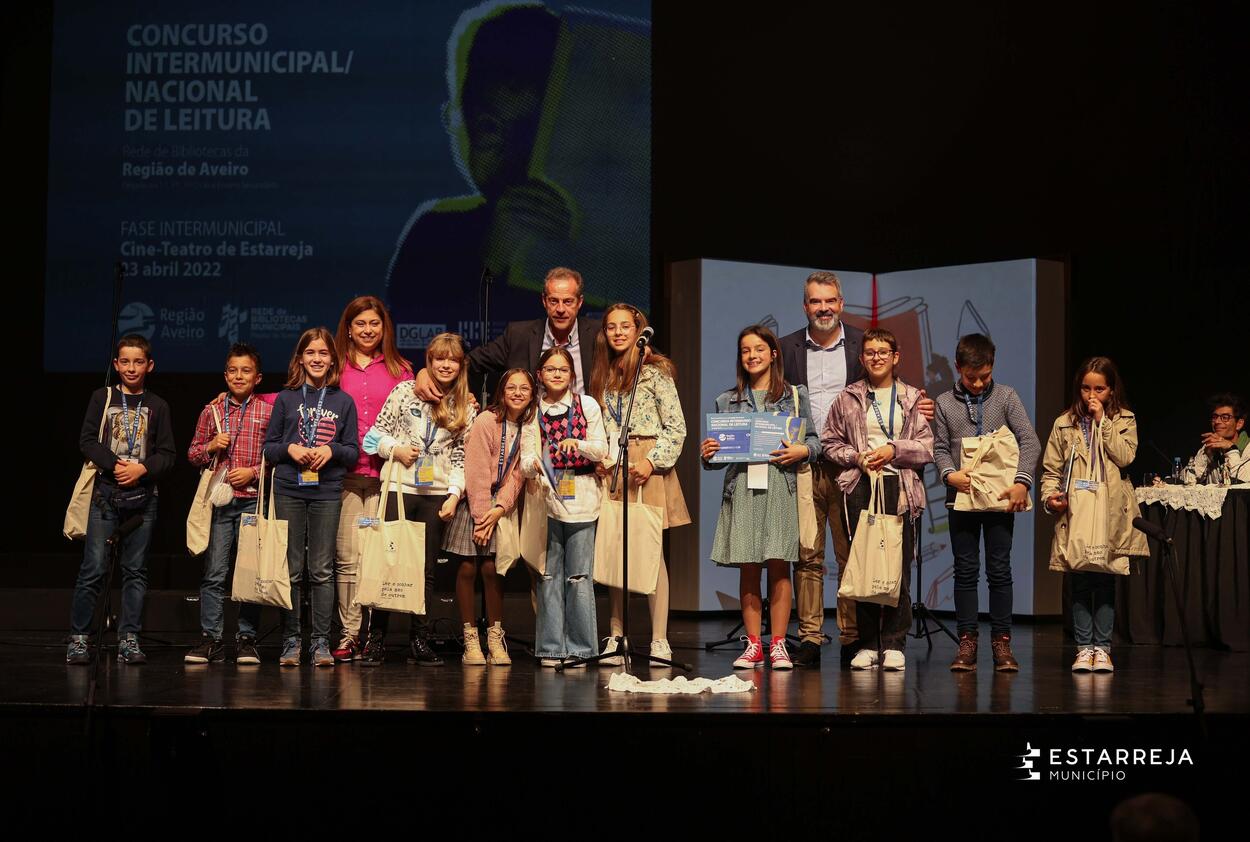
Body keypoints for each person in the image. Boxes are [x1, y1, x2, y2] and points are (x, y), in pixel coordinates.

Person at [779, 271, 936, 667]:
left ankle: (854, 638)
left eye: (830, 300)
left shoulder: (860, 348)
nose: (823, 308)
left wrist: (918, 412)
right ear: (805, 306)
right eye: (816, 301)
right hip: (805, 463)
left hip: (854, 475)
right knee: (808, 556)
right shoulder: (787, 348)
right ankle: (811, 637)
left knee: (856, 554)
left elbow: (891, 397)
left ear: (841, 303)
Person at [702, 325, 820, 671]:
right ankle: (754, 645)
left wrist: (801, 449)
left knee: (780, 565)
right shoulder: (728, 401)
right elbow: (715, 459)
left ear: (773, 354)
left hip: (781, 487)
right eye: (744, 351)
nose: (751, 356)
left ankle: (779, 644)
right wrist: (708, 453)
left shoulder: (795, 396)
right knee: (749, 567)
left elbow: (815, 443)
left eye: (758, 349)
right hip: (742, 488)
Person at [822, 327, 934, 672]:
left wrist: (893, 450)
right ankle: (868, 643)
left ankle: (895, 641)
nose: (876, 357)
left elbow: (926, 446)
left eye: (883, 352)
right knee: (866, 564)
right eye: (870, 352)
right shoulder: (848, 397)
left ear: (895, 357)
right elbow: (829, 442)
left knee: (897, 565)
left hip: (900, 487)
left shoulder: (912, 397)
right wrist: (856, 457)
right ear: (862, 358)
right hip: (860, 486)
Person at [359, 333, 474, 666]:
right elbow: (372, 438)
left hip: (435, 495)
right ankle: (376, 639)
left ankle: (418, 639)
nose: (446, 365)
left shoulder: (464, 404)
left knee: (424, 571)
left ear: (460, 364)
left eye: (452, 359)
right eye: (440, 358)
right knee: (387, 563)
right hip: (399, 488)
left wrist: (454, 495)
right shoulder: (404, 391)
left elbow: (460, 458)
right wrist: (395, 450)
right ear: (430, 360)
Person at [589, 303, 691, 665]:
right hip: (614, 466)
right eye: (611, 327)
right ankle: (617, 635)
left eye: (625, 327)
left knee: (650, 551)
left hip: (647, 463)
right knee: (616, 549)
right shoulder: (603, 376)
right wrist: (601, 456)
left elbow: (676, 427)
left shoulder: (656, 374)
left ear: (638, 331)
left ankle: (660, 638)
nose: (618, 333)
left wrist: (652, 461)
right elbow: (599, 423)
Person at [932, 333, 1040, 671]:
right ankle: (967, 641)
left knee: (999, 569)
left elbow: (1029, 441)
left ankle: (1002, 643)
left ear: (993, 366)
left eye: (985, 377)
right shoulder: (945, 402)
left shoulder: (1006, 397)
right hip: (961, 497)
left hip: (999, 498)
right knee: (965, 571)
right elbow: (938, 448)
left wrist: (1022, 482)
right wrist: (949, 474)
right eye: (970, 377)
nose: (978, 384)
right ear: (958, 367)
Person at [66, 335, 176, 665]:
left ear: (150, 365)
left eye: (138, 361)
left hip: (143, 500)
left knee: (136, 570)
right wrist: (116, 465)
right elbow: (87, 441)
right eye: (125, 361)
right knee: (94, 568)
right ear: (116, 364)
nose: (131, 367)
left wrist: (142, 468)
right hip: (106, 495)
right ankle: (80, 638)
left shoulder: (158, 405)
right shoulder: (103, 397)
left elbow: (168, 455)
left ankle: (129, 638)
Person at [1040, 357, 1147, 673]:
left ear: (1111, 390)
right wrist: (1050, 498)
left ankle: (1103, 648)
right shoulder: (1064, 423)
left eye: (1099, 389)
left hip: (1108, 510)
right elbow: (1051, 469)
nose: (1091, 395)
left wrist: (1104, 422)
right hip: (1078, 510)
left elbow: (1125, 456)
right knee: (1080, 579)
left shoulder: (1125, 419)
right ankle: (1083, 648)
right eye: (1086, 388)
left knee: (1104, 581)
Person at [263, 328, 359, 667]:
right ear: (300, 358)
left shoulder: (343, 401)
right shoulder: (286, 398)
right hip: (289, 486)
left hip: (327, 491)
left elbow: (352, 451)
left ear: (333, 359)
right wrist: (290, 448)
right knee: (291, 569)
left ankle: (320, 643)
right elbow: (270, 447)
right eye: (310, 353)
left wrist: (330, 451)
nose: (317, 359)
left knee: (321, 568)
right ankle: (291, 641)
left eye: (323, 353)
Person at [329, 296, 414, 661]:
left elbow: (424, 411)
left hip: (387, 478)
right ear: (348, 328)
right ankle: (349, 634)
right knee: (347, 558)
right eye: (360, 324)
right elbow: (295, 394)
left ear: (384, 328)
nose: (367, 330)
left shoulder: (402, 369)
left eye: (374, 324)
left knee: (379, 557)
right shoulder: (333, 368)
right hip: (345, 477)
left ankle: (373, 636)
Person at [184, 343, 273, 665]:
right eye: (233, 370)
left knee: (249, 573)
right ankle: (212, 638)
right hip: (221, 504)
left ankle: (247, 638)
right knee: (215, 571)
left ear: (258, 377)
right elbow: (193, 454)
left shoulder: (268, 411)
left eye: (246, 370)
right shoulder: (212, 411)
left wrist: (253, 471)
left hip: (253, 502)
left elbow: (275, 459)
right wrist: (210, 446)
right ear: (225, 375)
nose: (239, 376)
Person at [521, 346, 608, 667]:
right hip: (547, 500)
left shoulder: (586, 405)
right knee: (548, 575)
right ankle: (550, 646)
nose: (557, 374)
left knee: (579, 576)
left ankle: (581, 648)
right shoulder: (534, 411)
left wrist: (579, 444)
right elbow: (526, 458)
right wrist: (535, 464)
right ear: (540, 375)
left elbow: (601, 449)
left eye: (563, 369)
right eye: (550, 369)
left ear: (572, 375)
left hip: (583, 497)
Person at [412, 267, 597, 401]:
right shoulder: (518, 334)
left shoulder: (596, 334)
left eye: (568, 301)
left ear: (579, 302)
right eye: (554, 301)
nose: (560, 309)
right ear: (544, 301)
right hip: (527, 429)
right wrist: (426, 373)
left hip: (583, 432)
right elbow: (471, 362)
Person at [455, 368, 538, 665]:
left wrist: (500, 508)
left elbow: (518, 476)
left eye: (524, 389)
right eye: (511, 387)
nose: (517, 393)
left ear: (532, 394)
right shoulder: (487, 420)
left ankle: (495, 636)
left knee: (492, 570)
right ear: (502, 392)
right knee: (468, 567)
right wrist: (481, 517)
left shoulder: (530, 426)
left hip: (500, 506)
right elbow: (475, 470)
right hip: (474, 503)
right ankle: (470, 639)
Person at [1189, 393, 1249, 484]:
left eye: (1225, 418)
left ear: (1239, 424)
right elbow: (1188, 480)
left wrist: (1231, 449)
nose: (1217, 422)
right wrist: (1206, 456)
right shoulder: (1209, 446)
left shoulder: (1248, 449)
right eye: (1215, 417)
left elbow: (1240, 482)